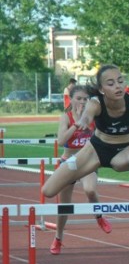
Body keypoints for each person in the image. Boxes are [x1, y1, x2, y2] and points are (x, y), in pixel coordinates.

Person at [42, 64, 129, 199]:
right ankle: (73, 175)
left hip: (121, 153)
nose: (117, 86)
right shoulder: (96, 103)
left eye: (120, 81)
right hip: (94, 151)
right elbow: (88, 114)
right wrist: (83, 121)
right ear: (101, 89)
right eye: (111, 84)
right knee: (48, 191)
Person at [49, 85, 112, 255]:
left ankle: (99, 217)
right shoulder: (65, 117)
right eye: (79, 98)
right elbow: (61, 141)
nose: (83, 102)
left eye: (86, 99)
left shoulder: (94, 117)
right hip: (68, 162)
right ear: (71, 99)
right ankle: (58, 237)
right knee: (65, 206)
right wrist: (76, 125)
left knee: (90, 189)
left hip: (86, 161)